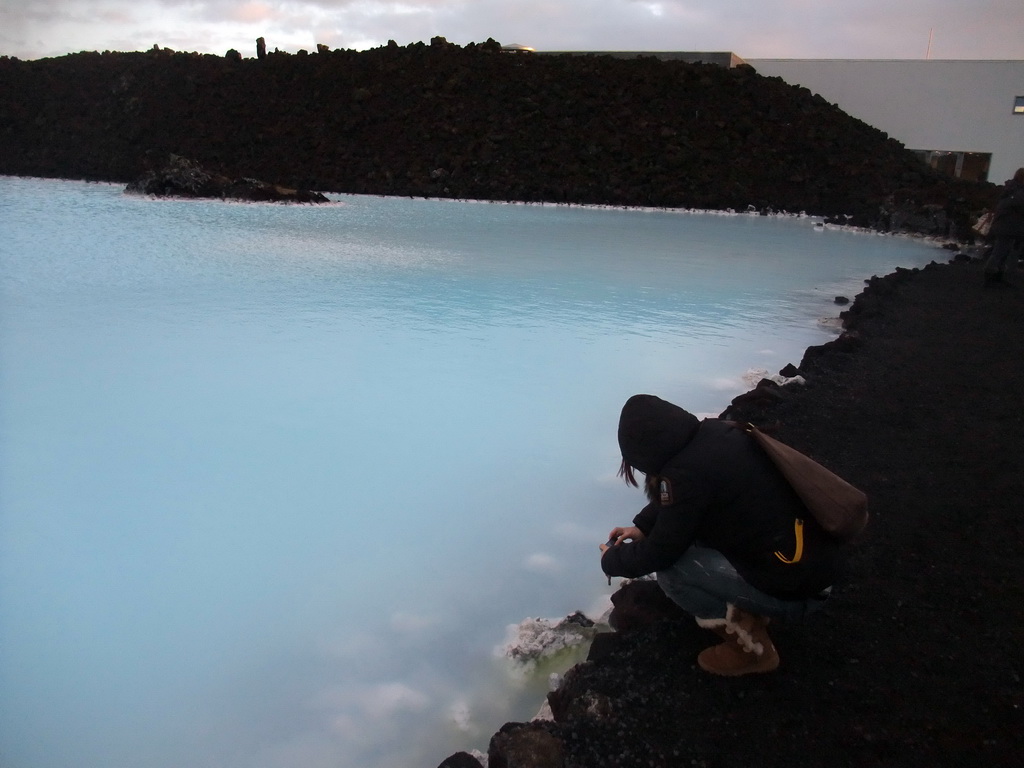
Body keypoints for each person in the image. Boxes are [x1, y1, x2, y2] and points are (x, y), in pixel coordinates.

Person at [600, 394, 840, 676]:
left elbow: (661, 552)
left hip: (802, 592)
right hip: (816, 563)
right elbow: (684, 502)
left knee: (673, 573)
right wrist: (642, 526)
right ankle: (754, 605)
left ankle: (752, 650)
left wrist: (613, 560)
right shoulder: (717, 433)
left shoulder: (685, 477)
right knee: (697, 535)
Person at [984, 167, 1024, 286]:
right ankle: (991, 276)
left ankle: (995, 276)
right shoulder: (1019, 192)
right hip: (1009, 228)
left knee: (1001, 251)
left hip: (1004, 226)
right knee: (1000, 252)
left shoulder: (1010, 189)